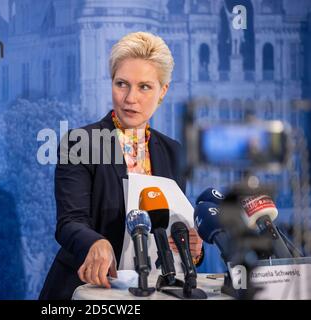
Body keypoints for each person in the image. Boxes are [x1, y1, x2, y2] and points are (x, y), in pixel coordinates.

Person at [39, 32, 203, 300]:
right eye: (122, 84)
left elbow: (174, 226)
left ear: (163, 91)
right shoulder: (81, 142)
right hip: (87, 290)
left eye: (145, 87)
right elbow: (69, 223)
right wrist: (95, 242)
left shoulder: (174, 152)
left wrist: (193, 248)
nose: (130, 98)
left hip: (154, 291)